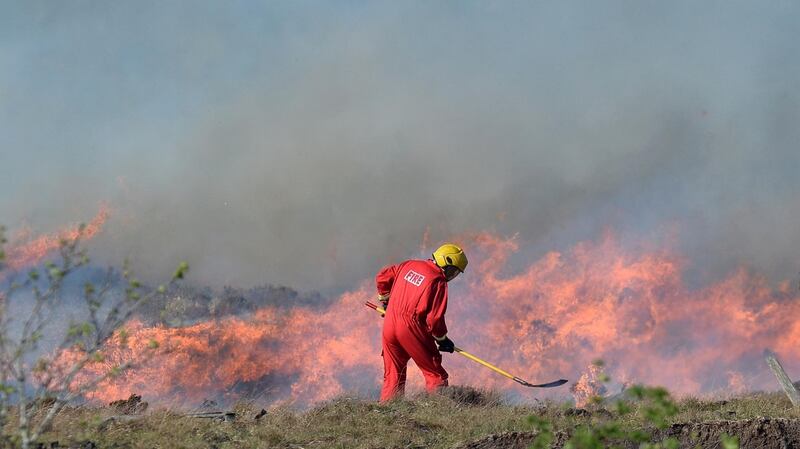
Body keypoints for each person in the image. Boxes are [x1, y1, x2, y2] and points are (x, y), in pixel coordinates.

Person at [374, 243, 468, 402]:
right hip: (411, 327)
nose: (453, 276)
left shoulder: (409, 264)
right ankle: (439, 411)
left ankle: (388, 413)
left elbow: (382, 277)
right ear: (446, 262)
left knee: (393, 373)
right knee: (435, 374)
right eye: (454, 271)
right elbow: (434, 319)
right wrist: (442, 340)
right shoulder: (438, 281)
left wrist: (386, 301)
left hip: (389, 324)